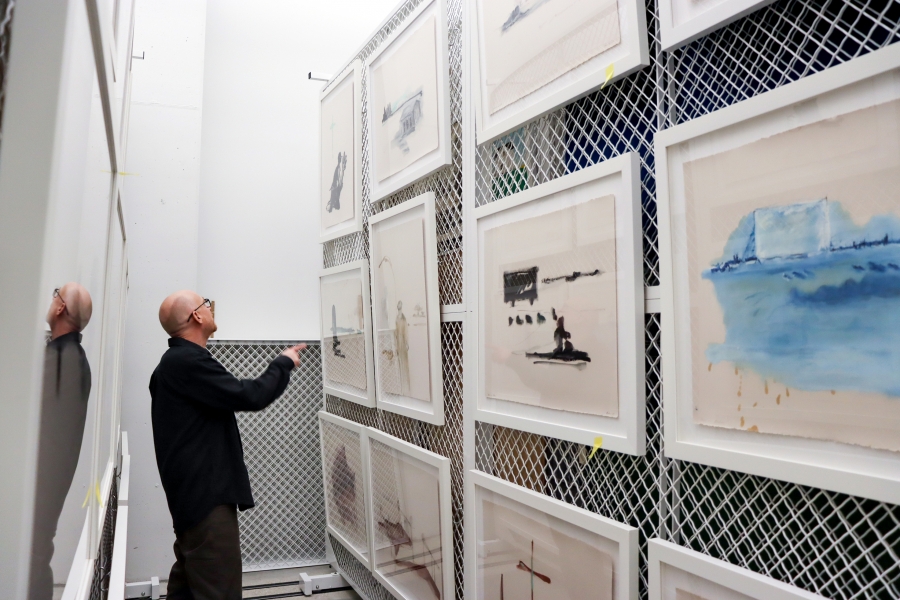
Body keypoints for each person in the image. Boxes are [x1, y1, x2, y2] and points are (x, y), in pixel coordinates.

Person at [150, 290, 306, 600]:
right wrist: (283, 363)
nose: (211, 309)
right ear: (197, 316)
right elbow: (250, 395)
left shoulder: (174, 364)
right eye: (206, 304)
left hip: (192, 498)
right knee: (218, 589)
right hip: (205, 500)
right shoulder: (187, 362)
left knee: (188, 588)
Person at [29, 283, 93, 600]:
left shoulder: (64, 359)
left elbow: (49, 432)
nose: (52, 298)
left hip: (40, 484)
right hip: (44, 482)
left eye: (56, 293)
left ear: (60, 307)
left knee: (33, 556)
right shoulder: (67, 356)